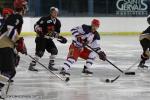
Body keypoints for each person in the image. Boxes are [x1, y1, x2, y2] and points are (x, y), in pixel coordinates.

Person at [0, 0, 28, 97]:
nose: (26, 8)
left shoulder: (14, 16)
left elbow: (11, 32)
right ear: (22, 7)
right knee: (9, 71)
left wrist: (18, 44)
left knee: (8, 71)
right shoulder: (17, 16)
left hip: (5, 45)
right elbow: (10, 29)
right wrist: (18, 41)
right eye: (25, 6)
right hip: (4, 46)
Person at [29, 7, 67, 71]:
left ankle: (51, 65)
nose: (55, 13)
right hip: (41, 38)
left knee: (54, 51)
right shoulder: (44, 19)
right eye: (54, 12)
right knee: (40, 53)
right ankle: (32, 65)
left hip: (48, 39)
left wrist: (61, 38)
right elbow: (36, 25)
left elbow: (55, 34)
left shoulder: (58, 22)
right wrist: (38, 31)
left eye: (56, 12)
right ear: (51, 12)